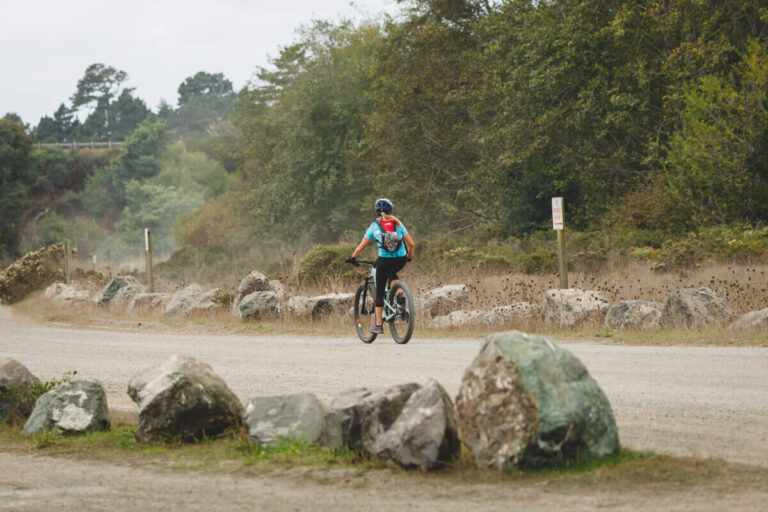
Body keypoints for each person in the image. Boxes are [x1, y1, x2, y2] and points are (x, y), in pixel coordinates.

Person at [346, 198, 415, 333]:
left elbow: (361, 247)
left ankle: (378, 324)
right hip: (400, 259)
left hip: (384, 261)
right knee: (392, 273)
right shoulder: (398, 223)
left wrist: (352, 257)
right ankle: (400, 298)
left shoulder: (374, 226)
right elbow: (411, 244)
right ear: (391, 210)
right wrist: (409, 256)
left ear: (377, 212)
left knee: (379, 293)